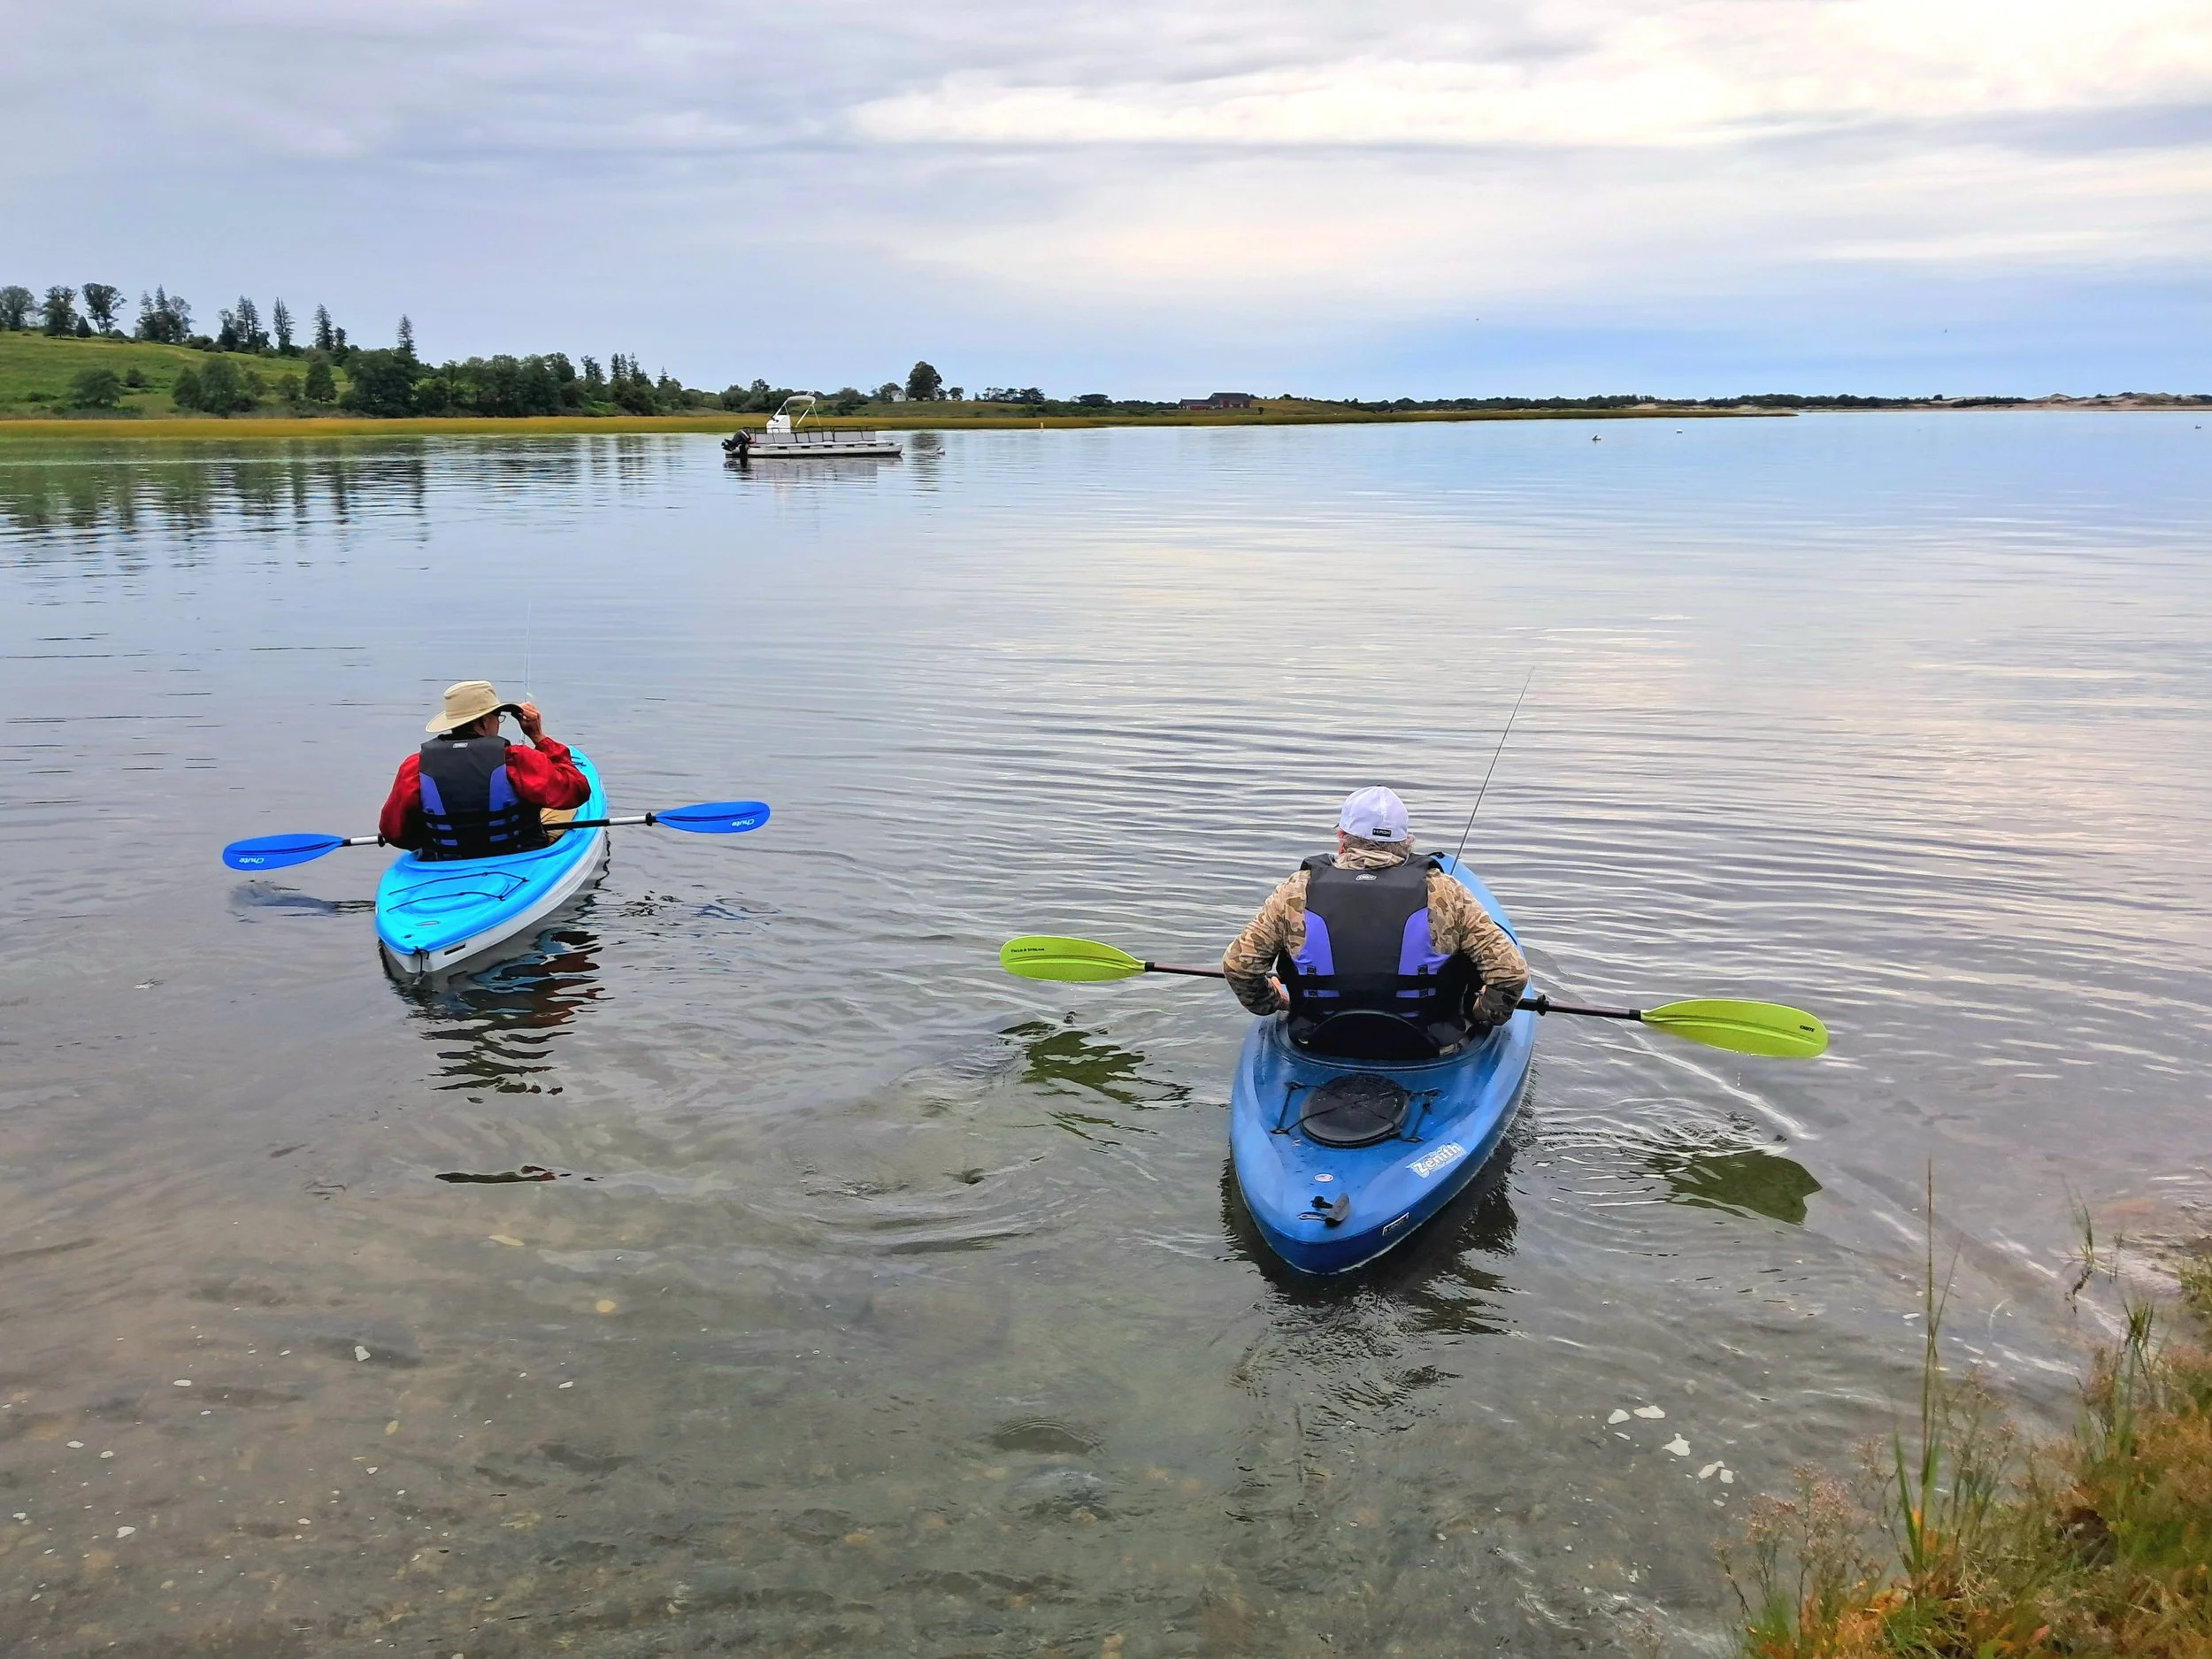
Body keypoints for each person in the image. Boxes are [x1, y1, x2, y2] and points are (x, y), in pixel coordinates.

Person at [1222, 786, 1530, 1059]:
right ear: (1406, 843)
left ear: (1342, 839)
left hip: (1318, 1039)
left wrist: (1274, 1002)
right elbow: (1510, 974)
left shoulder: (1295, 891)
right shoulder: (1446, 892)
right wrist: (1481, 1013)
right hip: (1426, 1045)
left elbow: (1239, 967)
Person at [379, 681, 591, 861]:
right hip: (519, 857)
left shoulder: (415, 765)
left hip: (446, 859)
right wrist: (539, 738)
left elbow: (394, 833)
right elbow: (577, 791)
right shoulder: (517, 758)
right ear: (483, 721)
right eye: (497, 716)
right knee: (564, 807)